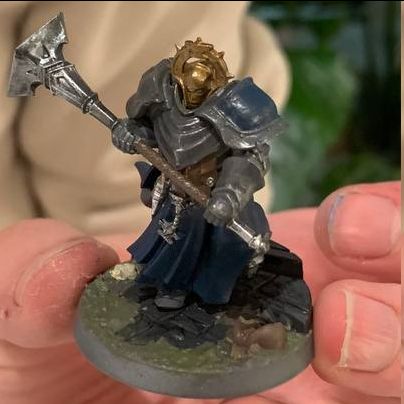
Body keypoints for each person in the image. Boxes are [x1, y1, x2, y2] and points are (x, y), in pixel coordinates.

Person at [0, 2, 400, 403]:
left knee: (227, 251)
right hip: (175, 195)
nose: (193, 95)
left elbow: (249, 158)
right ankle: (172, 292)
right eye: (186, 87)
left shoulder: (237, 106)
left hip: (217, 194)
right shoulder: (159, 89)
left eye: (202, 89)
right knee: (172, 245)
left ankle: (216, 297)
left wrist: (229, 193)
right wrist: (128, 134)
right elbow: (144, 129)